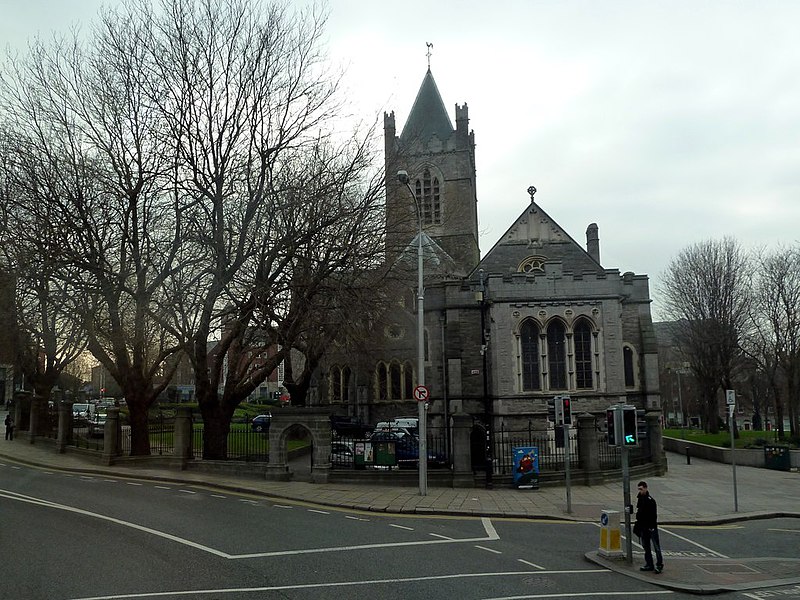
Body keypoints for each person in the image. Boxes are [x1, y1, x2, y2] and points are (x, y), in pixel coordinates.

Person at [635, 480, 663, 573]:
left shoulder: (651, 500)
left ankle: (659, 565)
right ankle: (649, 564)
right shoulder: (640, 498)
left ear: (646, 488)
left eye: (641, 489)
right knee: (646, 547)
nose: (640, 491)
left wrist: (651, 527)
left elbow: (653, 516)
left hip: (651, 528)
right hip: (643, 527)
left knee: (656, 547)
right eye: (639, 489)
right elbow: (639, 513)